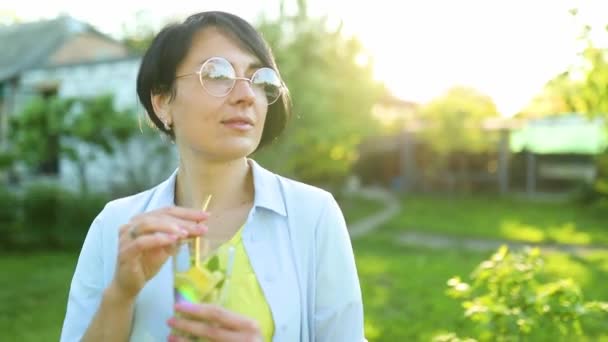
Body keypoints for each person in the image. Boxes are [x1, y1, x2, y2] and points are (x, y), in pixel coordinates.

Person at [60, 10, 364, 342]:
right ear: (162, 102)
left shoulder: (313, 215)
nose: (246, 95)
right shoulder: (116, 226)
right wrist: (121, 293)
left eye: (258, 79)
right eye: (217, 74)